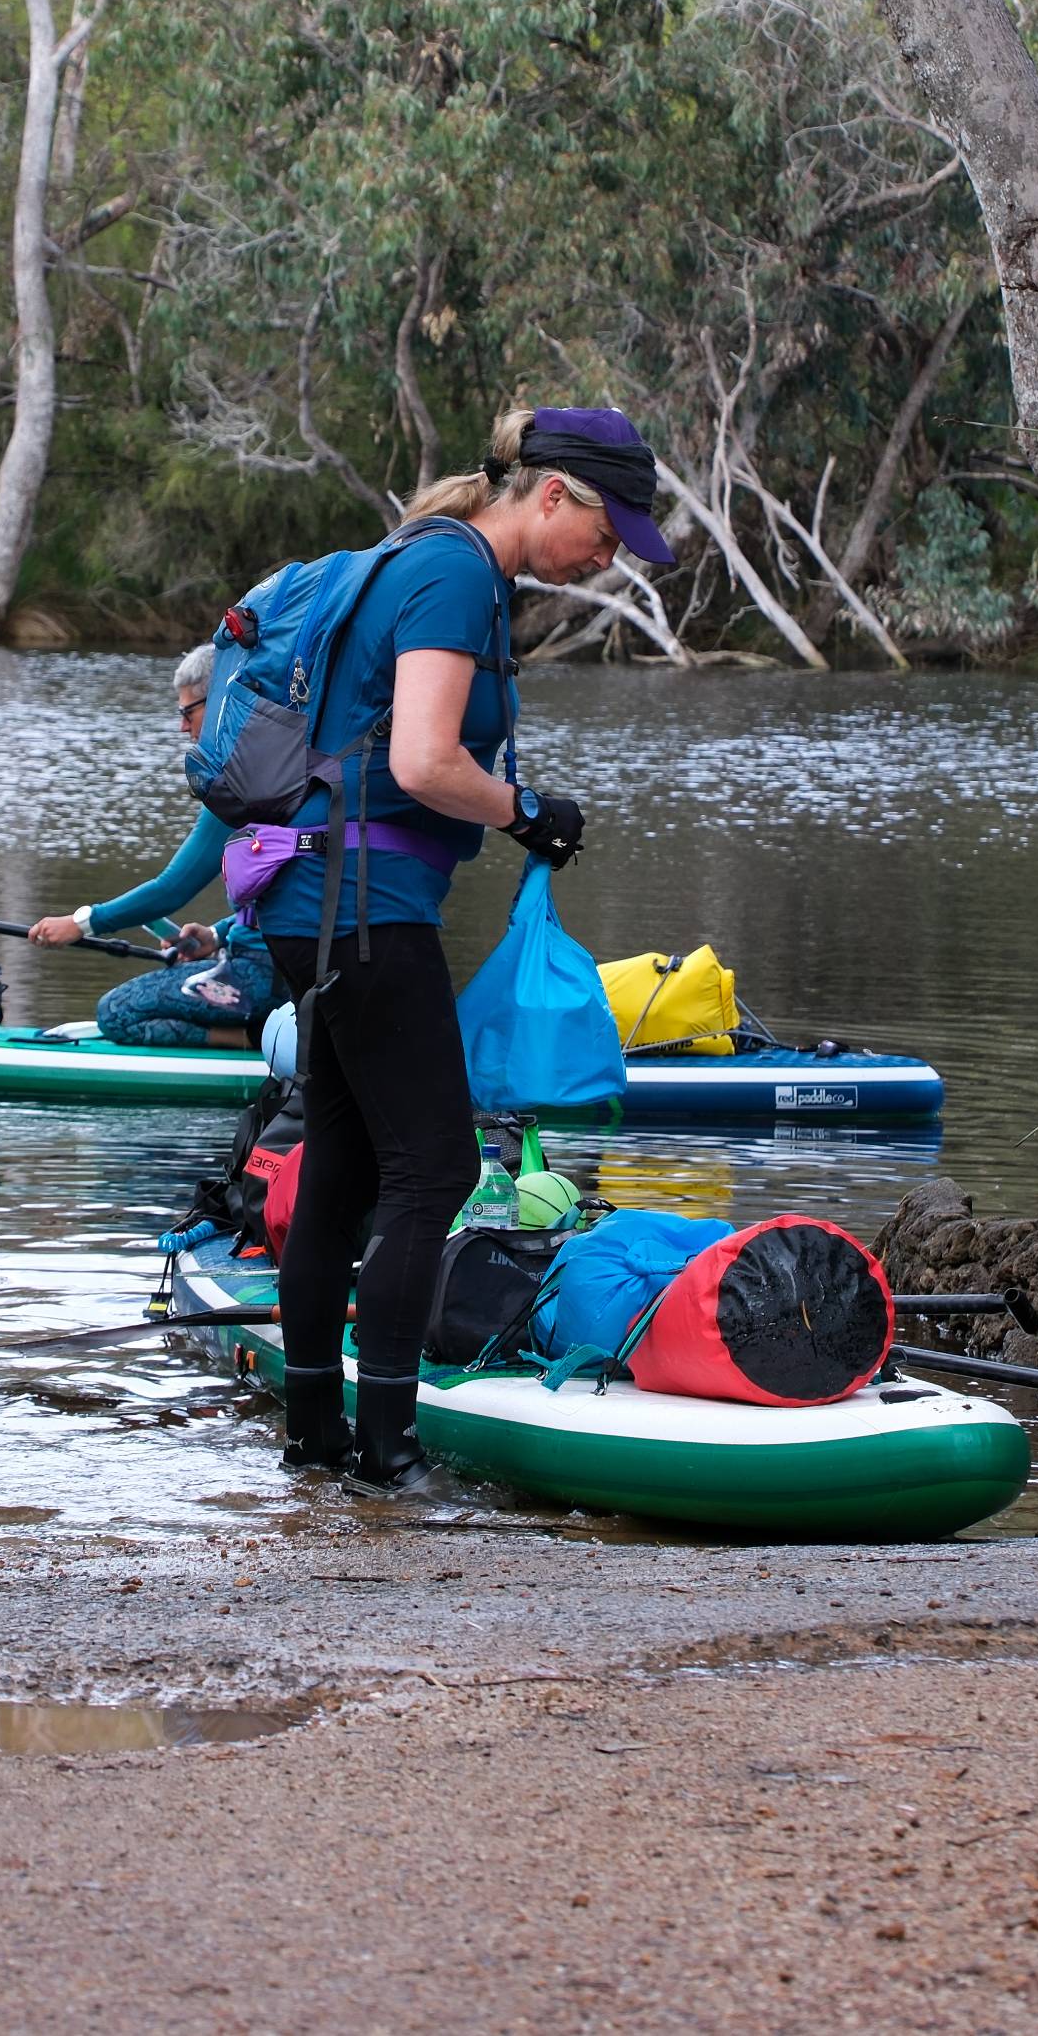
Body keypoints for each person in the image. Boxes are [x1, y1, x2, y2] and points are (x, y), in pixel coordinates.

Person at [264, 405, 675, 1489]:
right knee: (437, 1164)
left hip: (320, 899)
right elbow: (423, 759)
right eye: (607, 531)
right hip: (362, 902)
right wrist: (525, 807)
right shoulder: (452, 574)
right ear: (551, 495)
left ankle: (316, 1436)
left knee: (350, 1166)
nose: (607, 556)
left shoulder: (437, 562)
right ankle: (387, 1453)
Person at [27, 642, 281, 1048]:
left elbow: (172, 889)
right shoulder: (286, 767)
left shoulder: (239, 782)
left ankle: (253, 1039)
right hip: (289, 967)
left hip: (260, 979)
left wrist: (80, 924)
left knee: (117, 1012)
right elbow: (288, 899)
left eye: (187, 712)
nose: (183, 727)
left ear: (219, 700)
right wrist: (216, 936)